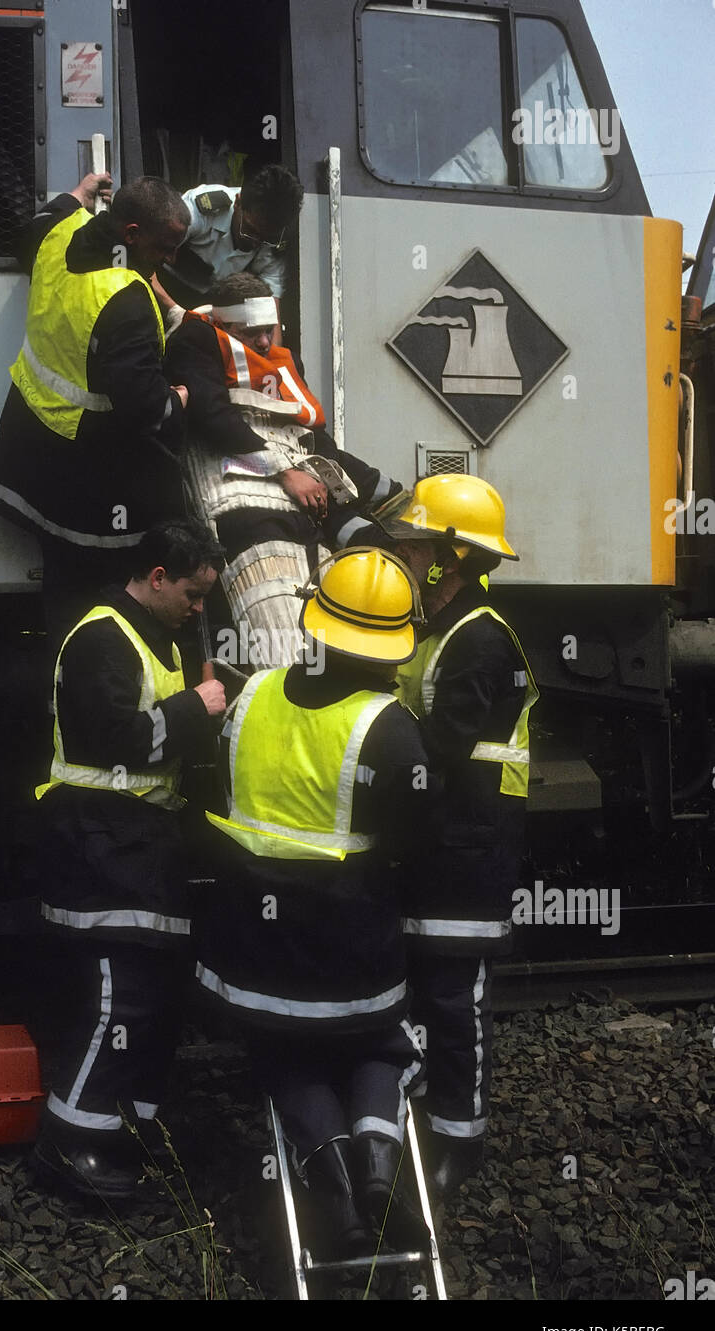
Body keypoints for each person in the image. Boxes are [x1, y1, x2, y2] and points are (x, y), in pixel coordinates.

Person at [194, 549, 438, 1254]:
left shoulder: (253, 695)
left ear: (315, 624)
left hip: (252, 954)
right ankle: (375, 1166)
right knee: (383, 1049)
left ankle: (329, 1180)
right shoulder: (390, 727)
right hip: (350, 953)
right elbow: (411, 841)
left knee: (286, 1058)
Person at [31, 520, 227, 1201]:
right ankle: (67, 1145)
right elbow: (120, 741)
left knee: (156, 996)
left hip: (137, 841)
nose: (199, 608)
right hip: (100, 842)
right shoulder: (102, 639)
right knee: (123, 994)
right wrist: (196, 708)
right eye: (192, 593)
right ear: (155, 577)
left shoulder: (150, 635)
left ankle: (127, 1128)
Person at [379, 474, 539, 1204]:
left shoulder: (476, 639)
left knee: (452, 997)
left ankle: (458, 1139)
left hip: (467, 846)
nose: (404, 559)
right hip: (438, 839)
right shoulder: (437, 630)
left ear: (448, 557)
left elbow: (438, 745)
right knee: (425, 988)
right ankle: (420, 1114)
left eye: (413, 547)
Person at [0, 173, 193, 647]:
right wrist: (177, 401)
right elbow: (144, 410)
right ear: (131, 235)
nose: (171, 260)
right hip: (82, 481)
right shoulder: (127, 302)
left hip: (25, 451)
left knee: (59, 589)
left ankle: (64, 688)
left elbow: (40, 221)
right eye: (165, 247)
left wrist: (82, 190)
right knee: (92, 602)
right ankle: (91, 691)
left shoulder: (60, 231)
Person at [165, 272, 402, 660]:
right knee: (280, 624)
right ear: (222, 324)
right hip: (243, 499)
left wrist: (373, 487)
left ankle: (355, 520)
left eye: (268, 331)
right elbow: (212, 414)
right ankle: (287, 685)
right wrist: (285, 472)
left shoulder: (282, 360)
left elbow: (309, 434)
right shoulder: (196, 342)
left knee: (335, 605)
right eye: (250, 332)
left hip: (305, 502)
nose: (263, 342)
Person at [152, 165, 304, 343]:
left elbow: (270, 311)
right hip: (161, 281)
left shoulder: (271, 241)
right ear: (238, 202)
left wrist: (275, 363)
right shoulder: (200, 210)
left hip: (210, 301)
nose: (255, 242)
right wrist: (174, 311)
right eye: (250, 230)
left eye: (264, 237)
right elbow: (145, 260)